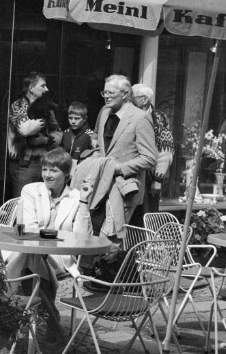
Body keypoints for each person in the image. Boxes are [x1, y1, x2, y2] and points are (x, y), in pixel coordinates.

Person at [6, 147, 93, 340]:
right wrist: (59, 234)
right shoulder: (31, 190)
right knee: (32, 256)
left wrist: (85, 202)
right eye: (45, 169)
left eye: (53, 171)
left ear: (67, 174)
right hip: (30, 250)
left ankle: (9, 307)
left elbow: (81, 236)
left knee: (30, 260)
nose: (47, 175)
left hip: (59, 256)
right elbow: (29, 228)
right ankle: (51, 319)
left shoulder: (76, 197)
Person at [72, 75, 157, 239]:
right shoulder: (104, 113)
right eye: (104, 93)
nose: (106, 97)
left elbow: (150, 158)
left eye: (111, 93)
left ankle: (110, 264)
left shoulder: (140, 118)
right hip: (99, 183)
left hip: (123, 187)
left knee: (111, 238)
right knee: (88, 231)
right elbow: (100, 144)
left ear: (125, 94)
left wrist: (119, 168)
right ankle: (86, 265)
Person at [8, 71, 62, 197]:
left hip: (44, 162)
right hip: (24, 165)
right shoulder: (18, 105)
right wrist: (44, 120)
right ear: (31, 88)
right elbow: (25, 129)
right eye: (43, 86)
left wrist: (45, 140)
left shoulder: (47, 108)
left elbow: (58, 132)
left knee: (42, 202)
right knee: (22, 202)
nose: (46, 89)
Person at [131, 84, 175, 224]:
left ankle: (145, 245)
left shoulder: (158, 118)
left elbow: (166, 149)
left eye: (133, 97)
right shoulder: (128, 115)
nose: (129, 100)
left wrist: (158, 179)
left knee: (146, 218)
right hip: (130, 174)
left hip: (149, 177)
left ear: (144, 100)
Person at [61, 101, 94, 169]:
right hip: (66, 167)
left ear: (85, 119)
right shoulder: (66, 133)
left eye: (77, 118)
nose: (73, 121)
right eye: (70, 118)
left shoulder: (90, 134)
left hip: (82, 168)